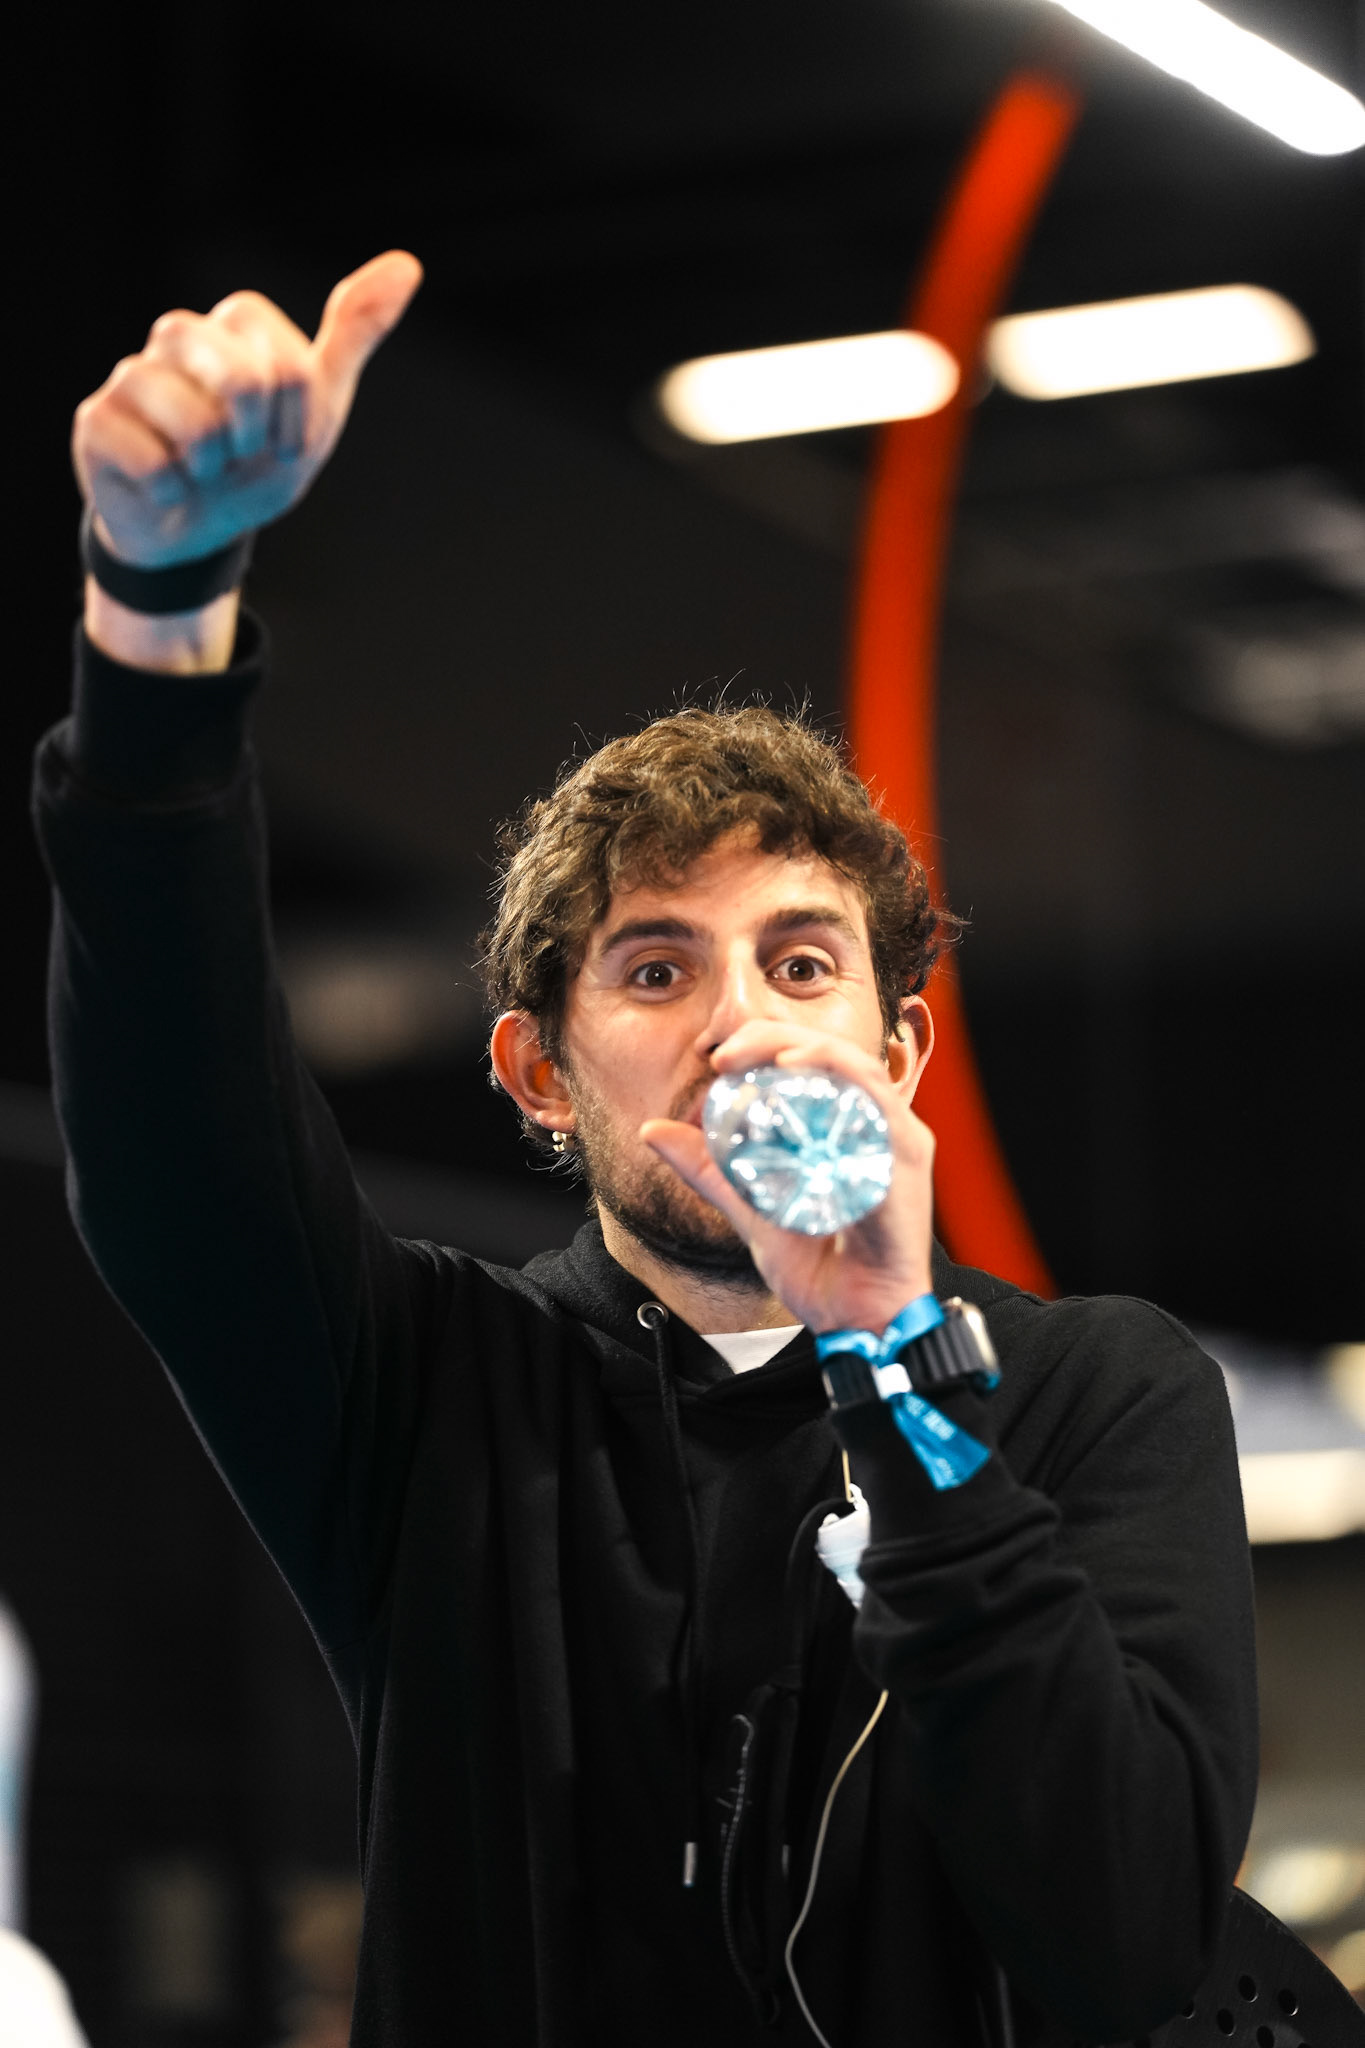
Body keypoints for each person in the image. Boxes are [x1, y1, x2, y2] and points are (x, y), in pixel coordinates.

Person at [33, 250, 1259, 2048]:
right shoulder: (430, 1392)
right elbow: (172, 1122)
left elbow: (1126, 1939)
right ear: (539, 1072)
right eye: (657, 968)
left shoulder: (1094, 1393)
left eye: (801, 963)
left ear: (897, 1055)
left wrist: (889, 1356)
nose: (740, 1024)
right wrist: (157, 613)